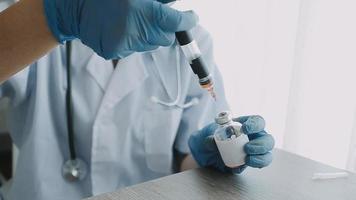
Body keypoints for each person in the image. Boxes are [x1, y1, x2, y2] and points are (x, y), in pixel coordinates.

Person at [0, 23, 274, 199]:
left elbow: (185, 157)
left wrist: (213, 155)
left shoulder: (190, 42)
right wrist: (53, 17)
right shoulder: (44, 28)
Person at [0, 0, 198, 82]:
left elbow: (186, 153)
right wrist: (63, 12)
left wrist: (216, 150)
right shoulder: (21, 11)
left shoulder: (194, 37)